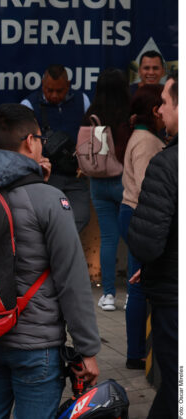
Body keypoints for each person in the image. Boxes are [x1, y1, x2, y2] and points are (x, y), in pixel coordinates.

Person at [0, 103, 99, 418]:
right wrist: (87, 349)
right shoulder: (48, 199)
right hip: (35, 346)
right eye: (39, 138)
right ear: (31, 142)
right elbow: (71, 279)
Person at [127, 74, 178, 419]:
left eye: (165, 101)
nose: (159, 109)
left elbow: (147, 242)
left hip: (175, 301)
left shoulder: (168, 164)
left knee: (176, 388)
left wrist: (152, 260)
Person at [118, 84, 164, 370]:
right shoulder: (147, 141)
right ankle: (135, 354)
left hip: (131, 212)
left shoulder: (143, 136)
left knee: (138, 285)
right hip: (139, 214)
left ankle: (137, 352)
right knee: (138, 286)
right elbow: (151, 186)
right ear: (156, 111)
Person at [81, 69, 131, 312]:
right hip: (124, 180)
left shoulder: (91, 114)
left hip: (97, 181)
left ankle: (109, 295)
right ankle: (133, 294)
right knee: (131, 240)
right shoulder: (128, 114)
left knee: (108, 239)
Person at [21, 64, 92, 233]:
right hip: (46, 177)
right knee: (46, 219)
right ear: (42, 85)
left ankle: (62, 249)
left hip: (76, 175)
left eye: (59, 91)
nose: (53, 95)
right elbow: (22, 144)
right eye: (48, 90)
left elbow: (92, 135)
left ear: (68, 86)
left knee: (81, 216)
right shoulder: (29, 105)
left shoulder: (83, 100)